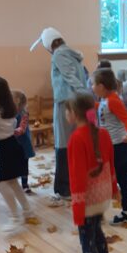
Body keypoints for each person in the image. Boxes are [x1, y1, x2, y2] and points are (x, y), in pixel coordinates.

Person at [30, 27, 87, 204]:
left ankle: (64, 189)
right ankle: (73, 185)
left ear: (50, 43)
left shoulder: (59, 54)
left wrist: (85, 95)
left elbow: (70, 77)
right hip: (74, 103)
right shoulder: (70, 53)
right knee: (72, 144)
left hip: (66, 104)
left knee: (63, 145)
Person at [66, 91, 117, 253]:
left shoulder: (76, 139)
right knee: (97, 232)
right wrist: (114, 189)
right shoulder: (103, 133)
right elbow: (111, 165)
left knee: (87, 243)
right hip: (103, 196)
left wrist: (77, 209)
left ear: (73, 113)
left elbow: (77, 178)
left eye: (66, 111)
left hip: (87, 201)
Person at [0, 77, 33, 232]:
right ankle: (27, 211)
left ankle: (15, 217)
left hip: (5, 149)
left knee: (1, 184)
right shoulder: (8, 109)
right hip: (12, 146)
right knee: (12, 182)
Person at [92, 68, 127, 225]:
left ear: (101, 86)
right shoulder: (106, 100)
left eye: (93, 84)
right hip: (119, 146)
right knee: (123, 179)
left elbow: (126, 118)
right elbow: (105, 109)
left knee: (106, 179)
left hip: (119, 147)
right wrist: (92, 105)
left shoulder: (112, 100)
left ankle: (96, 214)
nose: (92, 87)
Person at [12, 90, 35, 194]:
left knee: (24, 165)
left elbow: (22, 129)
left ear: (16, 101)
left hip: (23, 144)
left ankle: (25, 184)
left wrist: (9, 131)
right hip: (12, 144)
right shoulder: (8, 113)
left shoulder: (23, 113)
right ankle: (13, 184)